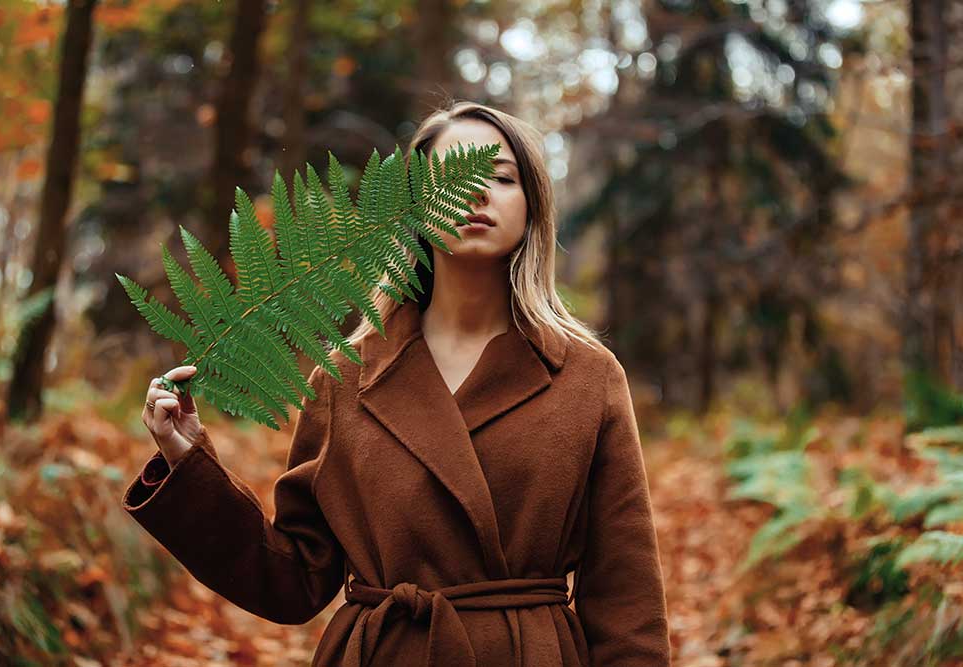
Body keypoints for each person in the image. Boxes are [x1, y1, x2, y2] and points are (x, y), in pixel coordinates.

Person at [123, 100, 671, 666]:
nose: (475, 191)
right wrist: (188, 461)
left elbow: (625, 597)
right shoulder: (343, 377)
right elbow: (292, 580)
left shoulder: (586, 376)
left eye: (502, 177)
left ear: (533, 207)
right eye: (449, 176)